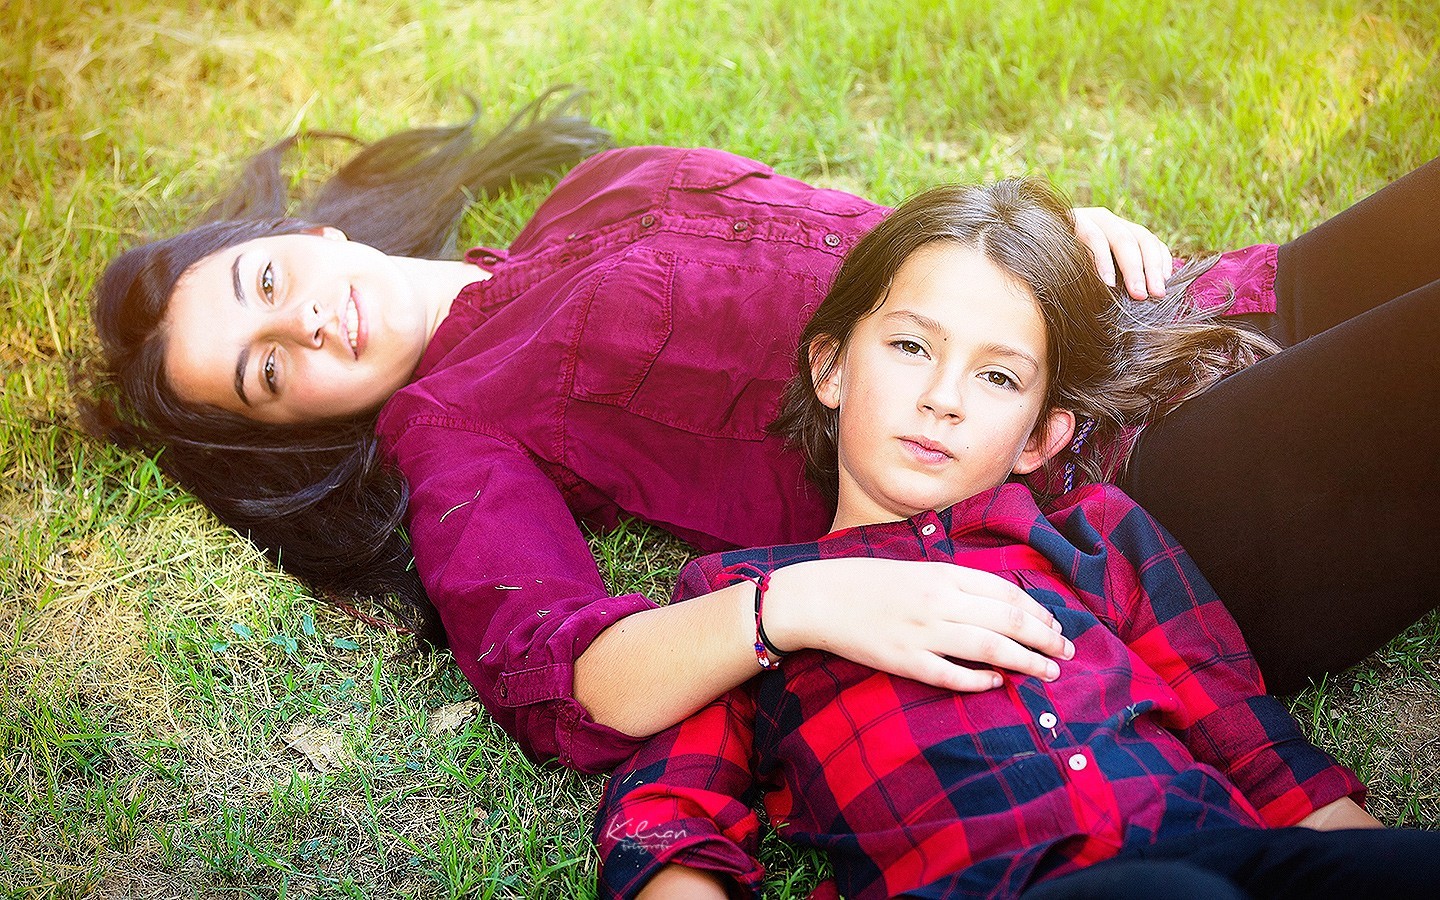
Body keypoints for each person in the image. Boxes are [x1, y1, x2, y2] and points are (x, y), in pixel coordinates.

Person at [86, 88, 1440, 775]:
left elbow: (898, 251)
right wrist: (800, 601)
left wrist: (1039, 242)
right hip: (1147, 513)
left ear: (308, 238)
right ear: (300, 422)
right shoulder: (453, 428)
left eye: (266, 286)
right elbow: (566, 683)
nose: (304, 328)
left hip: (1191, 319)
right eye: (267, 374)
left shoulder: (607, 184)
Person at [593, 179, 1436, 900]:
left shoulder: (1099, 534)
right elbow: (666, 813)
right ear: (832, 368)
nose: (944, 398)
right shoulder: (744, 595)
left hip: (1221, 847)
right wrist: (789, 608)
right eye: (912, 346)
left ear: (1041, 437)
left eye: (997, 376)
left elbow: (1249, 739)